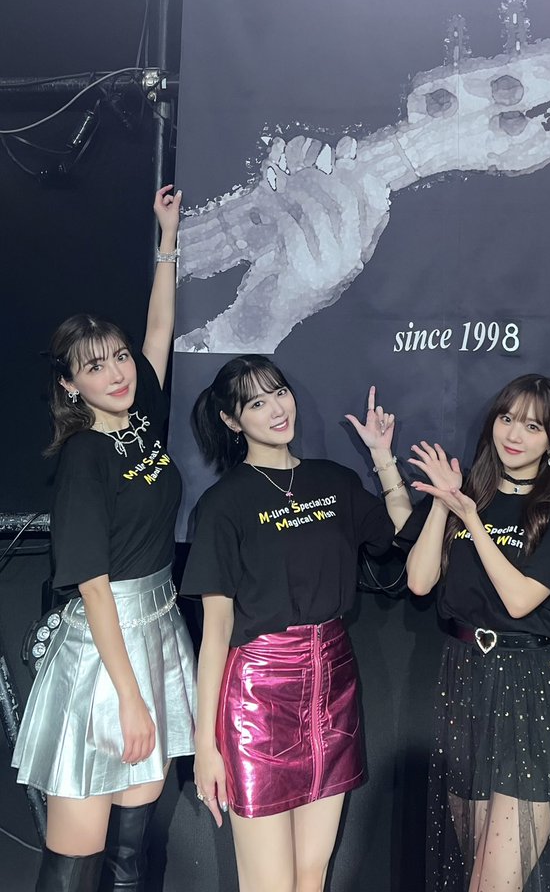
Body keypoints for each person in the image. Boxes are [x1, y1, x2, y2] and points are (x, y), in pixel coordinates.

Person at [12, 186, 197, 892]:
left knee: (131, 849)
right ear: (70, 385)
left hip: (156, 632)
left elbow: (160, 330)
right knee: (79, 851)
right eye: (95, 366)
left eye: (118, 357)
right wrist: (129, 698)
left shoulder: (139, 419)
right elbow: (91, 586)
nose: (118, 372)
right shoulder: (85, 456)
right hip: (104, 654)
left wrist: (167, 238)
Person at [181, 367, 412, 892]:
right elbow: (215, 632)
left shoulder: (334, 481)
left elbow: (402, 533)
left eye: (279, 393)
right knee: (270, 884)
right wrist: (206, 746)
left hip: (333, 683)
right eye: (256, 403)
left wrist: (382, 457)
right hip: (259, 696)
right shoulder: (222, 505)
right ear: (232, 421)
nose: (276, 409)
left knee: (312, 875)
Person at [398, 374, 550, 892]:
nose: (514, 434)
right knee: (474, 875)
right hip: (465, 683)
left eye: (532, 426)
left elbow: (519, 599)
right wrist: (445, 503)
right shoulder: (468, 501)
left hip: (530, 691)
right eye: (507, 419)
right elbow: (419, 582)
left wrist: (473, 521)